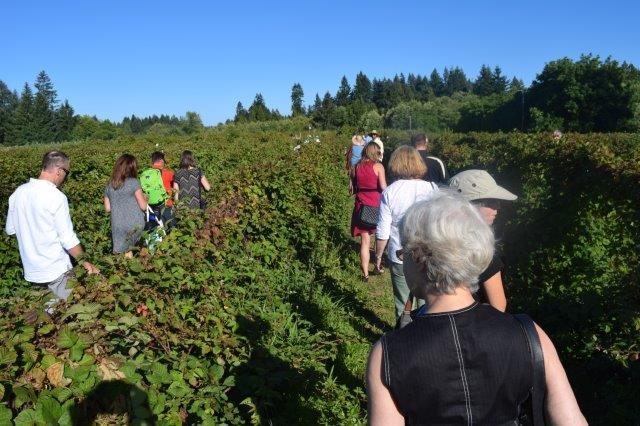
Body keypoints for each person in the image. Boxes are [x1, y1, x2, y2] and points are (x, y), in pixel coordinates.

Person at [367, 193, 586, 425]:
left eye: (404, 254)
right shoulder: (529, 334)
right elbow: (571, 420)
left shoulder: (388, 353)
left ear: (418, 256)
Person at [5, 151, 99, 310]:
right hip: (57, 269)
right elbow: (67, 238)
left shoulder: (18, 193)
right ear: (59, 170)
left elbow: (10, 229)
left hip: (33, 271)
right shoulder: (56, 196)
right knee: (72, 313)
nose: (65, 177)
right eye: (67, 173)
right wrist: (85, 262)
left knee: (47, 317)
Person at [374, 146, 439, 319]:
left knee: (403, 304)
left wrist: (379, 256)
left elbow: (383, 231)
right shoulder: (432, 189)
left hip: (400, 254)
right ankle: (427, 336)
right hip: (428, 254)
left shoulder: (390, 192)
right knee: (428, 301)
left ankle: (404, 337)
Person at [449, 169, 516, 312]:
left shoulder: (440, 242)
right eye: (491, 201)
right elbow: (499, 306)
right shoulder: (483, 253)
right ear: (469, 205)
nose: (498, 207)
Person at [351, 142, 387, 282]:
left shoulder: (356, 167)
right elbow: (384, 187)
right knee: (380, 235)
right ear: (375, 153)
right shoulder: (378, 166)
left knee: (365, 241)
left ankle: (365, 275)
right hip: (376, 204)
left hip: (361, 205)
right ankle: (377, 265)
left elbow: (352, 188)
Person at [104, 154, 148, 257]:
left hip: (118, 224)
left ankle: (127, 271)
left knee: (126, 252)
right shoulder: (134, 182)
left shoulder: (109, 185)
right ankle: (146, 267)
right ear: (132, 167)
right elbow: (143, 206)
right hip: (135, 223)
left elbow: (107, 208)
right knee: (142, 245)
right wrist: (146, 198)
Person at [141, 151, 175, 230]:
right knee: (172, 229)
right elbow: (175, 187)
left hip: (150, 207)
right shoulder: (168, 173)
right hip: (166, 205)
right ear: (161, 161)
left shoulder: (145, 174)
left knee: (155, 231)